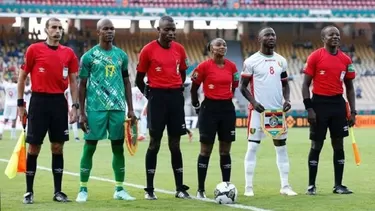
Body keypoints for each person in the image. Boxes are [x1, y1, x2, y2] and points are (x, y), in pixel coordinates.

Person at [17, 17, 79, 204]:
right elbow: (22, 78)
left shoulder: (69, 53)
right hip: (38, 102)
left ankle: (58, 192)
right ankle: (29, 192)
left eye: (60, 27)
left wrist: (75, 106)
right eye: (54, 27)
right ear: (46, 30)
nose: (58, 30)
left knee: (57, 147)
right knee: (34, 147)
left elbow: (73, 81)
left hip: (59, 102)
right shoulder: (34, 49)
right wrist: (21, 104)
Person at [76, 18, 136, 202]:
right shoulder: (88, 57)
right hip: (95, 108)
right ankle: (83, 189)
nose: (109, 31)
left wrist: (131, 109)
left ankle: (119, 189)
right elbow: (82, 85)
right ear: (98, 32)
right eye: (105, 29)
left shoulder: (122, 56)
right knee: (90, 147)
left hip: (117, 108)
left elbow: (126, 82)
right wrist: (81, 112)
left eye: (112, 28)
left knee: (118, 148)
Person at [135, 15, 190, 200]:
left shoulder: (180, 50)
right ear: (158, 30)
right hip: (157, 98)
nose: (171, 33)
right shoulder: (148, 50)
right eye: (167, 29)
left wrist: (175, 89)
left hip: (175, 98)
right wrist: (151, 96)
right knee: (154, 143)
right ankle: (149, 189)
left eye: (173, 29)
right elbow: (138, 79)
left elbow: (182, 74)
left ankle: (180, 188)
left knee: (175, 144)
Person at [240, 27, 297, 197]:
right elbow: (242, 87)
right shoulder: (251, 61)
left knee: (281, 149)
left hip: (277, 113)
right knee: (252, 148)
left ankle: (285, 186)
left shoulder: (281, 61)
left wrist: (287, 100)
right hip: (258, 113)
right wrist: (253, 102)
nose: (271, 37)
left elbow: (285, 84)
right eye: (267, 35)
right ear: (259, 38)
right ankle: (248, 187)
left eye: (273, 34)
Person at [302, 25, 356, 195]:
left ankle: (338, 185)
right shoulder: (315, 56)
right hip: (319, 104)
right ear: (323, 38)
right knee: (316, 144)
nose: (335, 37)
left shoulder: (346, 60)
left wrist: (353, 111)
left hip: (338, 105)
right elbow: (305, 84)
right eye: (331, 34)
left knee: (338, 145)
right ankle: (311, 185)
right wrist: (309, 108)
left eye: (337, 34)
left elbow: (350, 88)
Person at [190, 38, 239, 198]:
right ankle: (200, 189)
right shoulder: (203, 66)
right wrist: (197, 105)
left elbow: (235, 85)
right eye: (218, 45)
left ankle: (227, 187)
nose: (222, 47)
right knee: (205, 150)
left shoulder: (232, 66)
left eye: (224, 45)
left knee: (225, 150)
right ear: (211, 48)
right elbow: (194, 88)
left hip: (227, 109)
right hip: (209, 109)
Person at [0, 74, 18, 140]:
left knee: (5, 119)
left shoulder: (6, 84)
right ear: (15, 80)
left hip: (7, 104)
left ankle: (1, 132)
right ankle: (13, 136)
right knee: (14, 120)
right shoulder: (16, 85)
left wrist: (3, 73)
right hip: (14, 105)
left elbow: (2, 79)